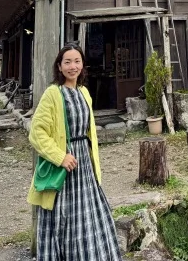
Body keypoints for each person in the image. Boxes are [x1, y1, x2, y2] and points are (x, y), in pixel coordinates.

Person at [27, 43, 122, 260]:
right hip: (65, 165)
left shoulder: (84, 92)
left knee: (88, 214)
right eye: (67, 62)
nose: (73, 66)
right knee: (65, 217)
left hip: (84, 165)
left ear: (83, 65)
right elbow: (37, 133)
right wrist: (60, 157)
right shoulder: (53, 93)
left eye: (77, 61)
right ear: (59, 67)